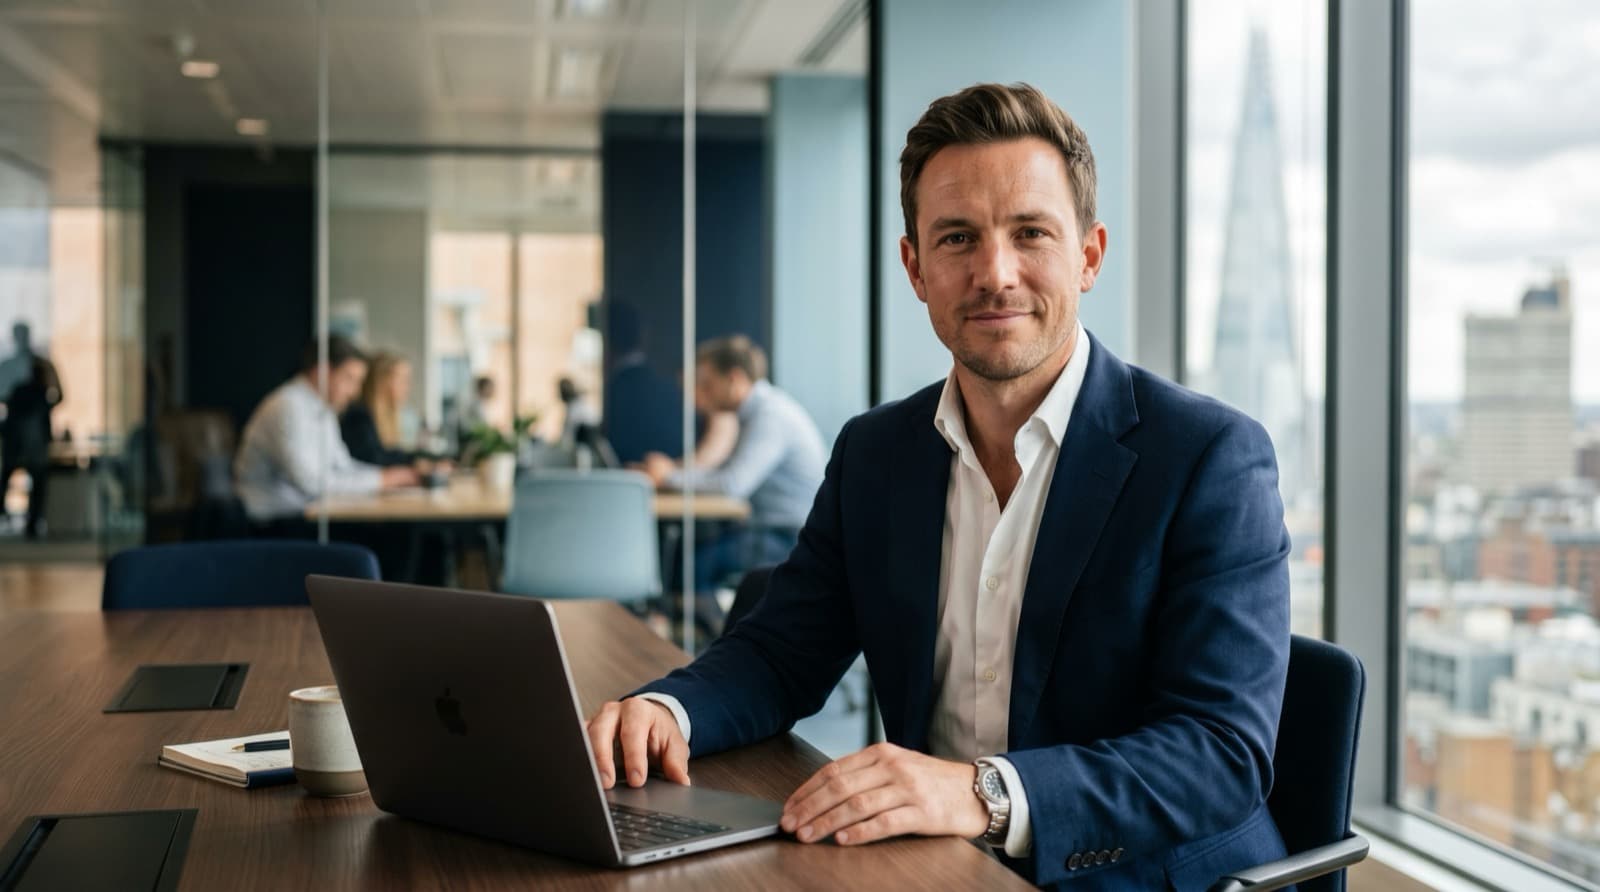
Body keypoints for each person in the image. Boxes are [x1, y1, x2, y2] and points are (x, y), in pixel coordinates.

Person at [586, 83, 1291, 890]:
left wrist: (982, 792)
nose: (996, 273)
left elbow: (1219, 754)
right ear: (916, 267)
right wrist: (663, 712)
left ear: (1089, 255)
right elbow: (781, 654)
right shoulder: (877, 453)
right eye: (958, 238)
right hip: (937, 867)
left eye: (1031, 233)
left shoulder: (1210, 457)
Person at [638, 335, 827, 607]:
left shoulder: (770, 416)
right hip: (775, 529)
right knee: (689, 555)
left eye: (707, 385)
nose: (701, 396)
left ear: (734, 379)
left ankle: (720, 640)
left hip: (789, 535)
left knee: (693, 566)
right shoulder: (755, 413)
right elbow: (723, 472)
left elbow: (733, 484)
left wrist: (668, 476)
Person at [234, 336, 418, 526]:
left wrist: (388, 477)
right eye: (349, 378)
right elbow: (310, 484)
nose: (354, 392)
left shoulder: (323, 409)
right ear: (321, 371)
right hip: (273, 522)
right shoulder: (288, 406)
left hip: (305, 513)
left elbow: (343, 465)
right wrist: (382, 481)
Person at [1, 356, 62, 539]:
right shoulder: (38, 394)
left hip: (18, 447)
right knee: (36, 487)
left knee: (10, 482)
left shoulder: (22, 391)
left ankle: (32, 524)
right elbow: (60, 397)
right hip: (29, 448)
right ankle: (32, 524)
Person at [342, 352, 422, 467]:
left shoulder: (387, 417)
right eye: (403, 380)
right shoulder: (359, 417)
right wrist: (416, 461)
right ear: (383, 382)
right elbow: (374, 458)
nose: (408, 387)